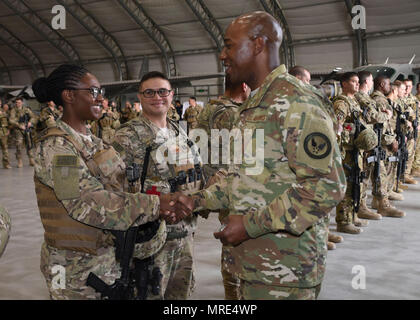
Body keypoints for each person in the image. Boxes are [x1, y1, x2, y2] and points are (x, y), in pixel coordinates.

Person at [189, 11, 346, 300]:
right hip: (256, 267)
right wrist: (195, 200)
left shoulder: (297, 102)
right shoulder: (256, 105)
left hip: (286, 274)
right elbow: (242, 177)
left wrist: (249, 225)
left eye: (229, 45)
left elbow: (327, 186)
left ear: (258, 45)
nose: (223, 55)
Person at [31, 64, 190, 300]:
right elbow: (83, 201)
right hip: (75, 273)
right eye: (93, 91)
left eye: (101, 92)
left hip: (108, 264)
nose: (101, 99)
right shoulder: (57, 150)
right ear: (69, 95)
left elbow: (123, 189)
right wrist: (156, 205)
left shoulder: (94, 143)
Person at [113, 71, 206, 300]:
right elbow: (114, 190)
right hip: (151, 242)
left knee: (180, 295)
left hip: (184, 236)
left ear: (171, 95)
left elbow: (196, 173)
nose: (157, 97)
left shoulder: (179, 132)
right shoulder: (127, 136)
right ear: (140, 97)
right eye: (150, 92)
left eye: (162, 91)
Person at [196, 76, 250, 299]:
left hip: (216, 177)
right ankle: (233, 292)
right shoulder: (231, 113)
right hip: (229, 180)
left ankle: (233, 289)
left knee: (231, 233)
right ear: (245, 86)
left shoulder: (212, 108)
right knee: (233, 236)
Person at [289, 66, 343, 249]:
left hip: (314, 154)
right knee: (304, 198)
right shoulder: (291, 101)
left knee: (320, 195)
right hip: (301, 158)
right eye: (307, 80)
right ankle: (311, 237)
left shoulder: (308, 99)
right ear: (298, 79)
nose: (309, 84)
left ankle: (322, 233)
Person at [354, 71, 390, 218]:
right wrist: (387, 115)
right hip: (363, 142)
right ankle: (361, 207)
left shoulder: (366, 97)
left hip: (369, 141)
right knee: (362, 176)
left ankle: (376, 203)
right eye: (370, 81)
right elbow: (372, 116)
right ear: (367, 82)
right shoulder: (361, 97)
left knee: (369, 174)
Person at [370, 76, 406, 218]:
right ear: (382, 84)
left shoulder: (379, 99)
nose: (390, 87)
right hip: (382, 142)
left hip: (381, 141)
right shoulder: (380, 100)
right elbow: (383, 124)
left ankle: (378, 201)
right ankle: (382, 204)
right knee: (380, 173)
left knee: (381, 172)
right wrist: (391, 140)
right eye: (388, 84)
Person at [9, 97, 36, 167]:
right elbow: (11, 120)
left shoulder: (26, 109)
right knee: (19, 144)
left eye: (19, 102)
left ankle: (31, 159)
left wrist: (30, 122)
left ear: (22, 102)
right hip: (18, 129)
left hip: (27, 128)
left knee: (29, 144)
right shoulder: (13, 110)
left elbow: (33, 117)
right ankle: (19, 160)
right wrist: (19, 125)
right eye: (16, 102)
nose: (18, 104)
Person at [0, 103, 11, 169]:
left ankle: (6, 164)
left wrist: (9, 129)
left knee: (5, 148)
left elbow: (9, 121)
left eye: (0, 103)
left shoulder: (3, 111)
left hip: (4, 132)